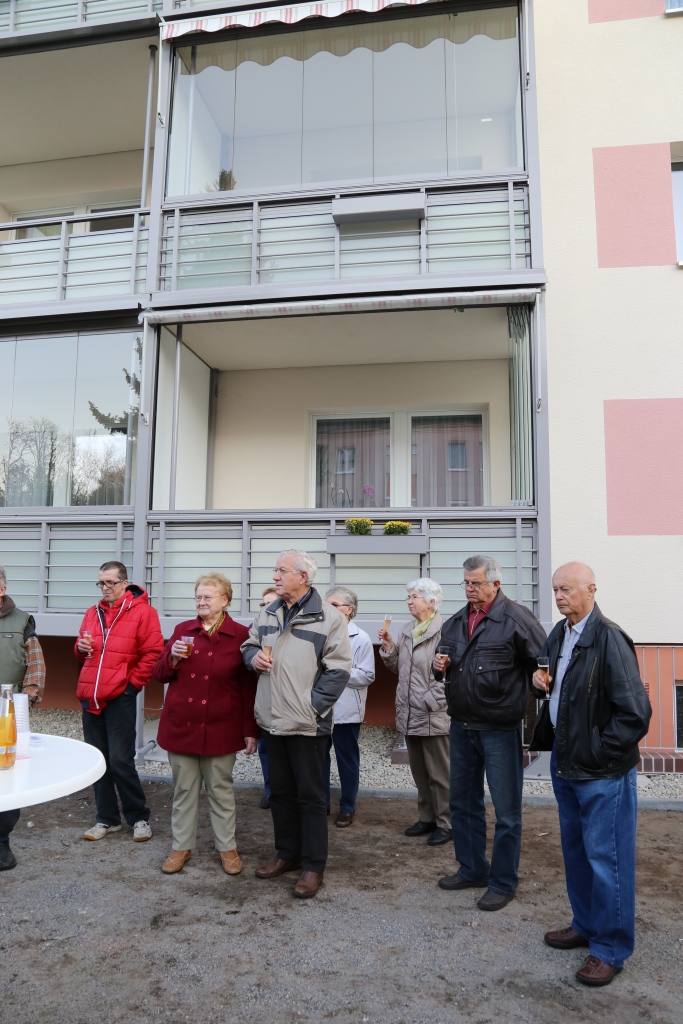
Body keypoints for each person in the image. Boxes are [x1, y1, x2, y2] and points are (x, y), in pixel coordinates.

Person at [530, 562, 651, 987]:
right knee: (578, 855)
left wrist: (600, 754)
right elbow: (555, 686)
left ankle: (610, 949)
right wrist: (538, 682)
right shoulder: (560, 634)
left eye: (567, 589)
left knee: (608, 861)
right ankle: (585, 925)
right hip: (567, 765)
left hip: (601, 773)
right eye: (555, 590)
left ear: (591, 590)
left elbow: (636, 714)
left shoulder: (609, 638)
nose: (560, 596)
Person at [434, 555, 546, 911]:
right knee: (462, 804)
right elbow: (443, 663)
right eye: (466, 583)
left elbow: (543, 665)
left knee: (507, 811)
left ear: (496, 584)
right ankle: (472, 869)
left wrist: (539, 684)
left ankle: (502, 881)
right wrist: (439, 666)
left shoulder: (516, 619)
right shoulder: (454, 622)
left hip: (499, 729)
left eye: (477, 583)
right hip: (461, 725)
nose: (470, 590)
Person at [241, 549, 352, 899]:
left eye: (281, 570)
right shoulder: (268, 611)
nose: (274, 576)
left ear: (303, 577)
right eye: (274, 570)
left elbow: (338, 672)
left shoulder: (330, 618)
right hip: (272, 720)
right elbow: (248, 644)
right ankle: (287, 854)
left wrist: (311, 708)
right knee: (281, 794)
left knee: (311, 797)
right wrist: (252, 657)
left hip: (306, 724)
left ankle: (313, 865)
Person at [153, 573, 259, 875]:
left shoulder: (240, 635)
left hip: (221, 727)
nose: (201, 601)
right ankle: (180, 847)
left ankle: (227, 848)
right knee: (184, 790)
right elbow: (159, 675)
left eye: (208, 596)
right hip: (182, 725)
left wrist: (250, 730)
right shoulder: (182, 630)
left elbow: (248, 688)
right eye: (198, 596)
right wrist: (171, 658)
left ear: (225, 600)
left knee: (221, 791)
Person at [75, 560, 164, 843]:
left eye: (110, 582)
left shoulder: (143, 612)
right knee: (98, 761)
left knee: (121, 760)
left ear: (124, 583)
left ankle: (139, 817)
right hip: (90, 696)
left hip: (119, 697)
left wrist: (131, 687)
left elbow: (153, 653)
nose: (104, 588)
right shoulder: (92, 613)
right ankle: (107, 819)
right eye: (100, 583)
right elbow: (82, 652)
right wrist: (79, 648)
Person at [379, 579, 451, 847]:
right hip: (410, 712)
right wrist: (389, 647)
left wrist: (430, 701)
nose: (409, 601)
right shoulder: (408, 629)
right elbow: (402, 669)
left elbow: (452, 675)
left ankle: (447, 822)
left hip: (433, 713)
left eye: (415, 597)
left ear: (432, 602)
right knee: (420, 772)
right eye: (408, 597)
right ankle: (427, 818)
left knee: (440, 774)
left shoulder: (446, 631)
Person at [0, 565, 46, 871]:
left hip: (6, 707)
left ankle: (2, 842)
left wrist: (25, 699)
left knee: (7, 775)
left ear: (1, 589)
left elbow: (36, 663)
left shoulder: (22, 620)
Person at [323, 587, 375, 827]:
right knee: (318, 758)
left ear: (348, 610)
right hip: (319, 709)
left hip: (346, 711)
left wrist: (337, 670)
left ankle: (347, 807)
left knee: (347, 760)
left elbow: (366, 676)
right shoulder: (320, 633)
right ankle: (321, 803)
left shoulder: (361, 638)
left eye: (334, 605)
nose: (327, 608)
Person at [257, 587, 278, 810]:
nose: (265, 608)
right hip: (262, 700)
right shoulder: (255, 630)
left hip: (283, 700)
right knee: (264, 747)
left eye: (270, 603)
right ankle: (270, 791)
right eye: (262, 604)